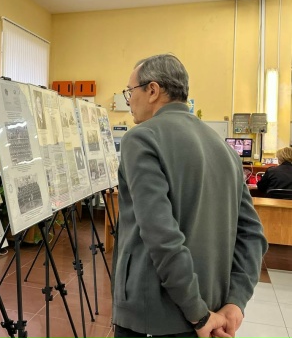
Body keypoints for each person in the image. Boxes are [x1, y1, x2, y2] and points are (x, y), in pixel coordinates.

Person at [113, 54, 267, 338]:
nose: (129, 100)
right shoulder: (225, 150)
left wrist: (197, 313)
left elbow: (161, 235)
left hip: (155, 316)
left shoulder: (142, 138)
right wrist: (235, 302)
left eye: (129, 91)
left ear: (152, 90)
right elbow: (252, 234)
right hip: (212, 312)